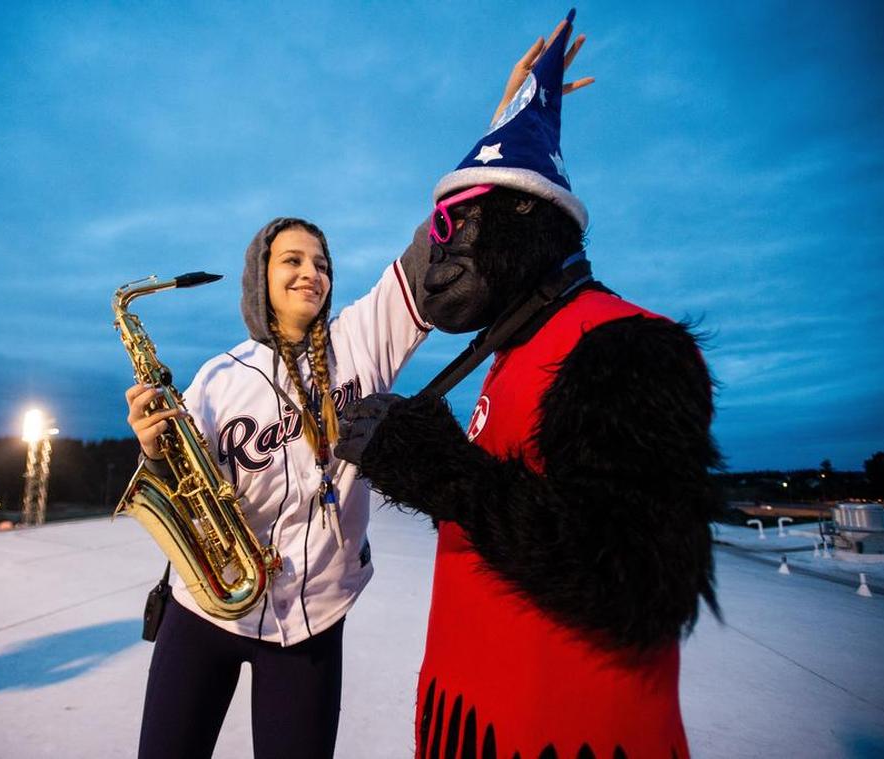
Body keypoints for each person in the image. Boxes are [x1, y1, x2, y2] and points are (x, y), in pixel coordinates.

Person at [124, 24, 592, 759]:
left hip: (311, 620)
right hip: (206, 607)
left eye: (321, 260)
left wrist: (500, 132)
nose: (311, 272)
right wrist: (154, 446)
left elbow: (431, 245)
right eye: (291, 260)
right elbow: (187, 491)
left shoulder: (361, 338)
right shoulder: (217, 377)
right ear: (260, 279)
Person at [337, 11, 720, 759]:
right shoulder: (516, 348)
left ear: (522, 215)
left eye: (453, 228)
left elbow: (644, 581)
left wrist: (445, 473)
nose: (438, 255)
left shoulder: (623, 343)